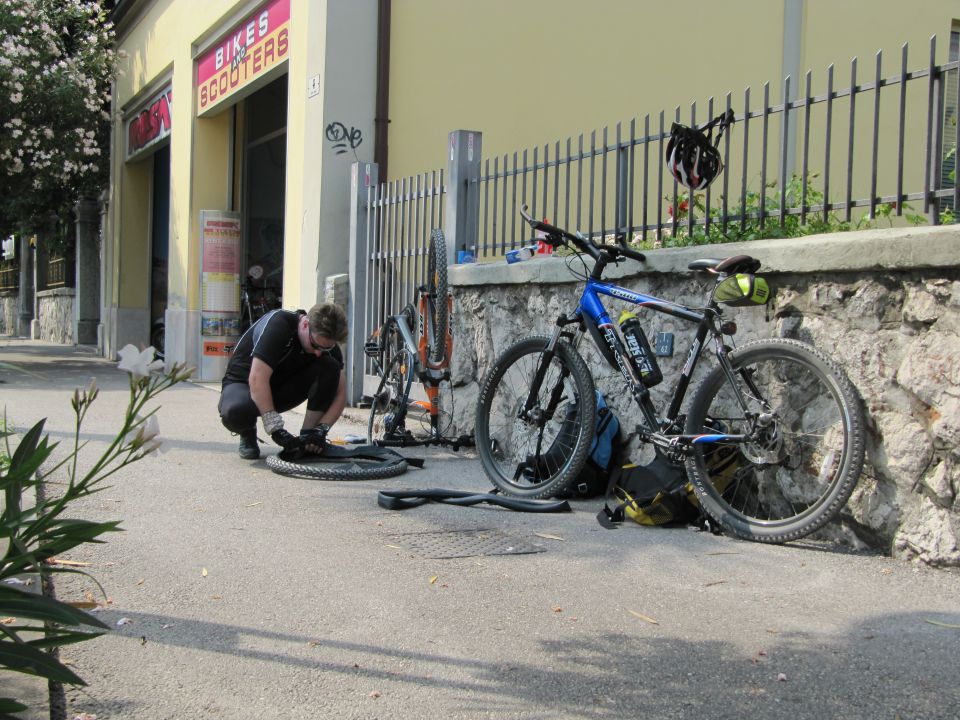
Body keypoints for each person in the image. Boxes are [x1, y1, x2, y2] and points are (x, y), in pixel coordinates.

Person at [218, 303, 348, 460]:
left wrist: (320, 429)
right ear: (305, 324)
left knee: (330, 366)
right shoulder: (278, 325)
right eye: (315, 345)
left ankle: (307, 436)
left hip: (280, 389)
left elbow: (341, 394)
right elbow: (257, 379)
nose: (318, 352)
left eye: (325, 348)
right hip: (245, 384)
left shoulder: (325, 344)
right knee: (235, 412)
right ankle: (247, 431)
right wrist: (275, 428)